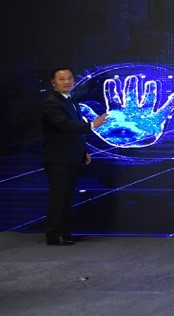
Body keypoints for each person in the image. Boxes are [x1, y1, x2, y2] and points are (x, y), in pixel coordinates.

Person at [40, 68, 109, 246]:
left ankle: (63, 232)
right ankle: (54, 235)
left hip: (72, 156)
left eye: (69, 78)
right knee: (59, 197)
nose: (67, 82)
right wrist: (92, 125)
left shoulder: (71, 101)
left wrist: (83, 151)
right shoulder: (51, 103)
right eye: (62, 79)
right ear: (53, 83)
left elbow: (75, 132)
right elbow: (66, 126)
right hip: (58, 158)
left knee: (67, 196)